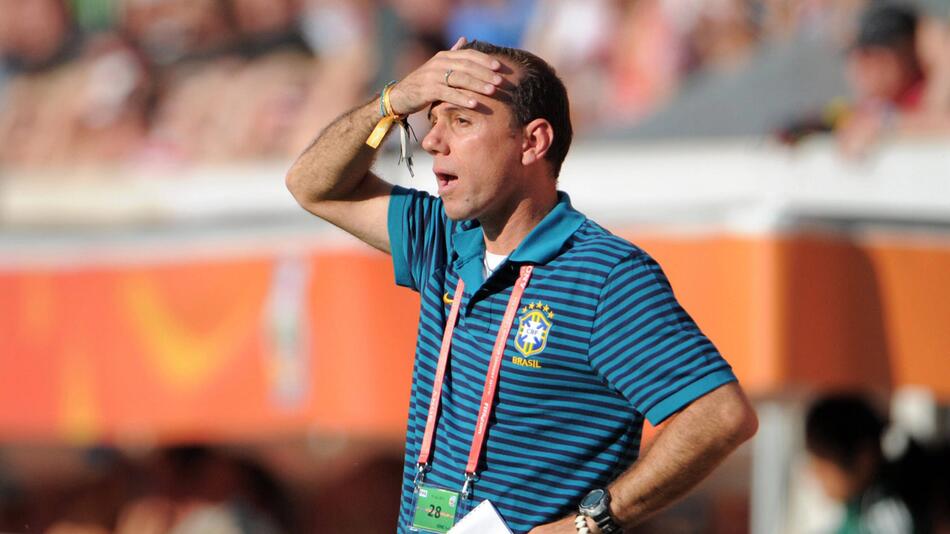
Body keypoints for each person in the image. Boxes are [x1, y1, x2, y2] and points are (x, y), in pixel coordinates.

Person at [286, 37, 758, 533]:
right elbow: (311, 184)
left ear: (532, 142)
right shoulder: (445, 238)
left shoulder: (605, 275)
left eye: (462, 122)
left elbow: (720, 416)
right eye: (432, 120)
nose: (431, 141)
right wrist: (393, 101)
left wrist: (590, 522)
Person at [804, 394, 927, 534]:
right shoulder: (858, 507)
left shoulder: (887, 511)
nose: (815, 474)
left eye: (824, 467)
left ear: (864, 458)